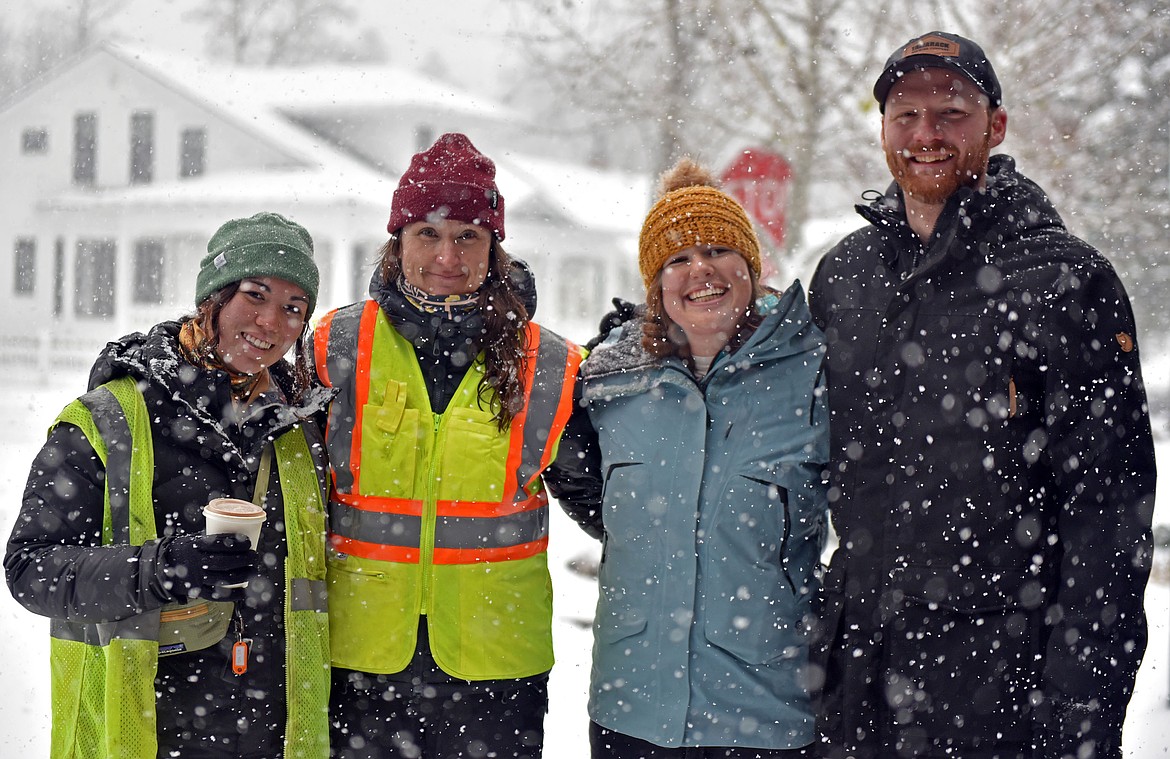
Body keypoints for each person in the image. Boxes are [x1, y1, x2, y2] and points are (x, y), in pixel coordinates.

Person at [808, 31, 1156, 759]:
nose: (925, 135)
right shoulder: (845, 278)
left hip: (999, 693)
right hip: (857, 685)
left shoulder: (1063, 282)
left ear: (995, 126)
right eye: (905, 115)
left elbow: (1108, 515)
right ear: (882, 129)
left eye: (950, 112)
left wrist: (1081, 711)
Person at [314, 132, 600, 759]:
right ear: (398, 241)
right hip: (360, 659)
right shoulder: (334, 346)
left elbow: (614, 500)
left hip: (495, 672)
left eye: (468, 235)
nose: (448, 254)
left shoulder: (550, 365)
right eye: (428, 233)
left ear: (494, 248)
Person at [4, 212, 333, 758]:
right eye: (255, 295)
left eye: (293, 308)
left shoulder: (299, 430)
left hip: (273, 734)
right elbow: (30, 569)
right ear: (214, 298)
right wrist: (157, 569)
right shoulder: (108, 421)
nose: (271, 323)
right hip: (142, 729)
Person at [568, 157, 829, 758]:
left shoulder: (815, 371)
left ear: (752, 266)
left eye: (718, 250)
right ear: (655, 287)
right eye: (677, 259)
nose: (701, 270)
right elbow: (580, 483)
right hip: (632, 709)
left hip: (767, 711)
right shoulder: (609, 380)